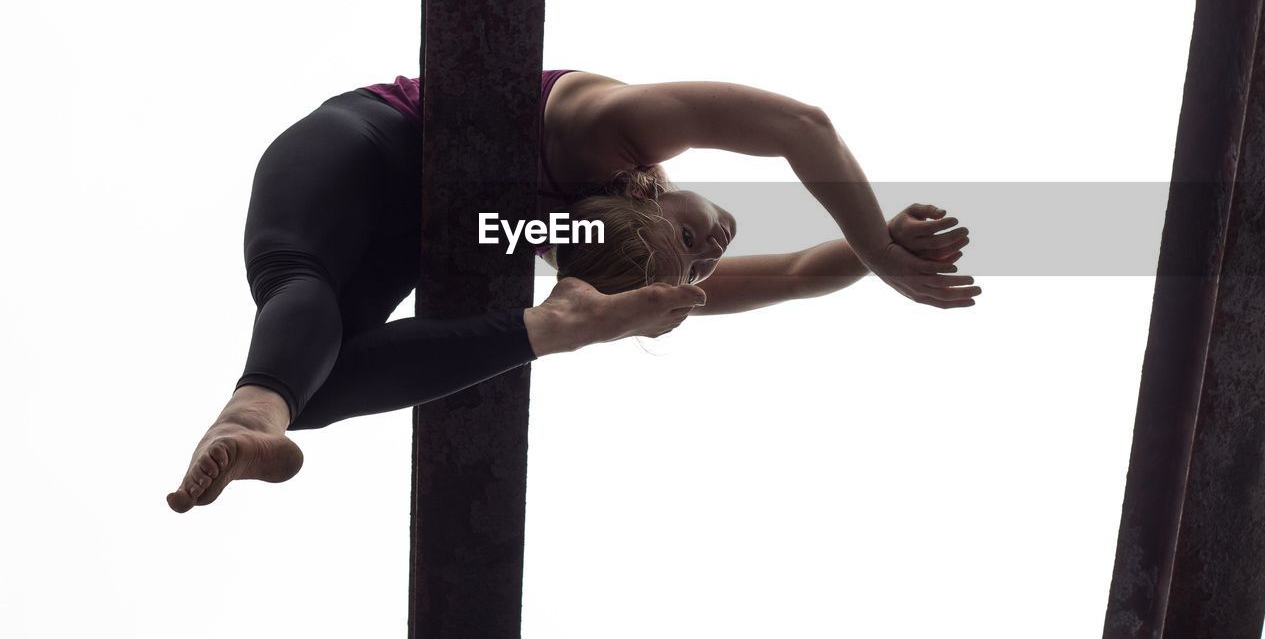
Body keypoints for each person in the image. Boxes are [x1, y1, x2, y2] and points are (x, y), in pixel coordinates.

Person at [167, 70, 977, 514]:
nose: (707, 259)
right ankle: (557, 323)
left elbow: (799, 273)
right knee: (294, 279)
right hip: (369, 145)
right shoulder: (610, 127)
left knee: (311, 381)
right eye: (694, 250)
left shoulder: (579, 235)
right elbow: (802, 125)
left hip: (427, 233)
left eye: (693, 265)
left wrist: (877, 256)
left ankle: (257, 416)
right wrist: (879, 241)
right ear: (646, 192)